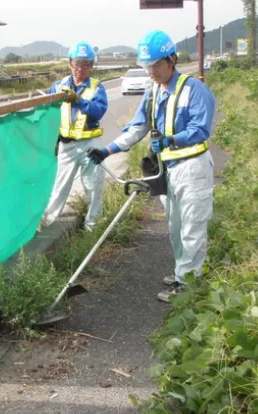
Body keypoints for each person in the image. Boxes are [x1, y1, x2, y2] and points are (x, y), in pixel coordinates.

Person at [87, 30, 216, 302]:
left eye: (156, 64)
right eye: (148, 66)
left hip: (193, 168)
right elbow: (137, 128)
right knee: (175, 226)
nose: (152, 71)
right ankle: (184, 272)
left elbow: (200, 129)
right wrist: (108, 150)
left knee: (193, 226)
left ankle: (188, 284)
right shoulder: (153, 93)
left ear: (172, 59)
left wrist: (171, 139)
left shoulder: (194, 89)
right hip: (166, 170)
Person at [42, 41, 109, 231]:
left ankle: (93, 227)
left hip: (90, 144)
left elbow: (98, 112)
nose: (81, 68)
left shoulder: (97, 88)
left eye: (86, 64)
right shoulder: (58, 86)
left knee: (93, 187)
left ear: (92, 66)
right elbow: (48, 112)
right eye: (77, 63)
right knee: (59, 186)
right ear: (70, 63)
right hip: (66, 145)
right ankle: (48, 224)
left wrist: (78, 101)